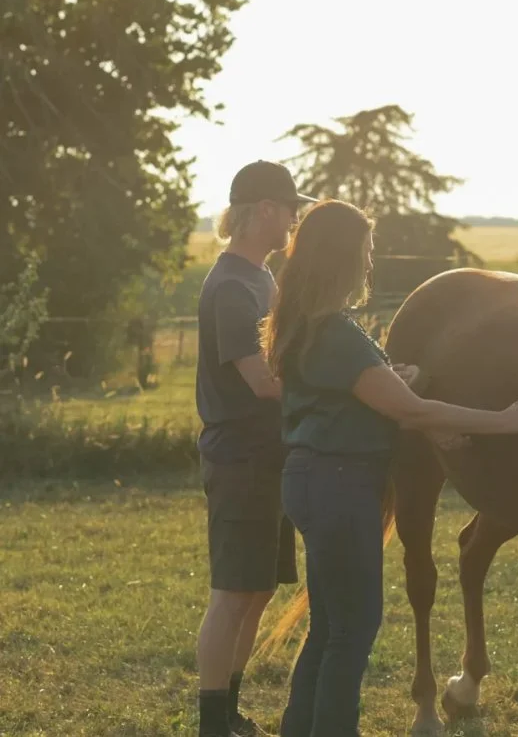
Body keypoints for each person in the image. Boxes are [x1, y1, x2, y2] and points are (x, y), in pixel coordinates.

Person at [260, 199, 518, 737]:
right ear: (346, 259)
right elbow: (410, 411)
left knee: (328, 626)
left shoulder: (305, 326)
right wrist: (506, 420)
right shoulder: (338, 336)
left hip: (310, 480)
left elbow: (365, 397)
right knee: (353, 629)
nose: (370, 263)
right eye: (367, 251)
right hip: (342, 486)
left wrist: (397, 381)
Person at [194, 160, 316, 737]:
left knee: (260, 586)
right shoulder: (230, 287)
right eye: (290, 207)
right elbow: (265, 381)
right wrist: (345, 384)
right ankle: (211, 722)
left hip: (270, 456)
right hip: (240, 456)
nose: (295, 218)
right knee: (231, 591)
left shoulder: (262, 280)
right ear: (265, 211)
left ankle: (230, 709)